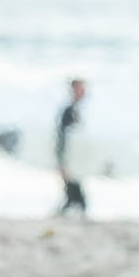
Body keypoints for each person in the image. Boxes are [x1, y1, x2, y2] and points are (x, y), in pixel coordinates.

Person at [55, 79, 87, 214]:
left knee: (74, 184)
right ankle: (73, 206)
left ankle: (72, 206)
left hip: (75, 154)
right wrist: (62, 157)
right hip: (69, 153)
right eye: (80, 88)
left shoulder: (79, 108)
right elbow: (63, 134)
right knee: (72, 182)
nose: (84, 92)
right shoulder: (69, 111)